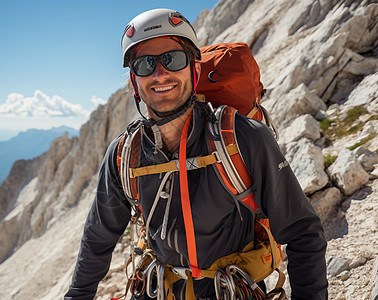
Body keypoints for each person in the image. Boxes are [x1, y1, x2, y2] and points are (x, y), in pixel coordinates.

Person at [64, 8, 328, 300]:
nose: (159, 73)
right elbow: (97, 239)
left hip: (231, 292)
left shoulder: (243, 138)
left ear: (196, 69)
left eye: (173, 59)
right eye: (145, 64)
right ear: (134, 82)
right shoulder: (125, 154)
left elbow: (302, 231)